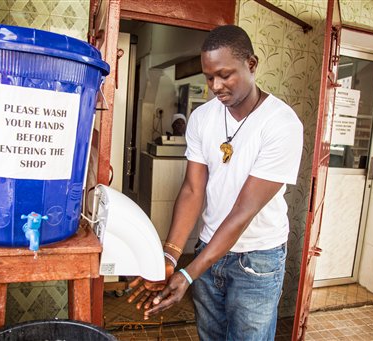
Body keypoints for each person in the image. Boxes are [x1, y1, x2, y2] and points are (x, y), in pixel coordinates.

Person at [128, 25, 303, 340]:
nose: (215, 86)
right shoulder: (202, 118)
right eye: (209, 77)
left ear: (251, 64)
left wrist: (188, 273)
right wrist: (170, 256)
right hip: (208, 247)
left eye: (225, 75)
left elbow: (243, 210)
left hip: (257, 258)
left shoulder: (282, 124)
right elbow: (193, 189)